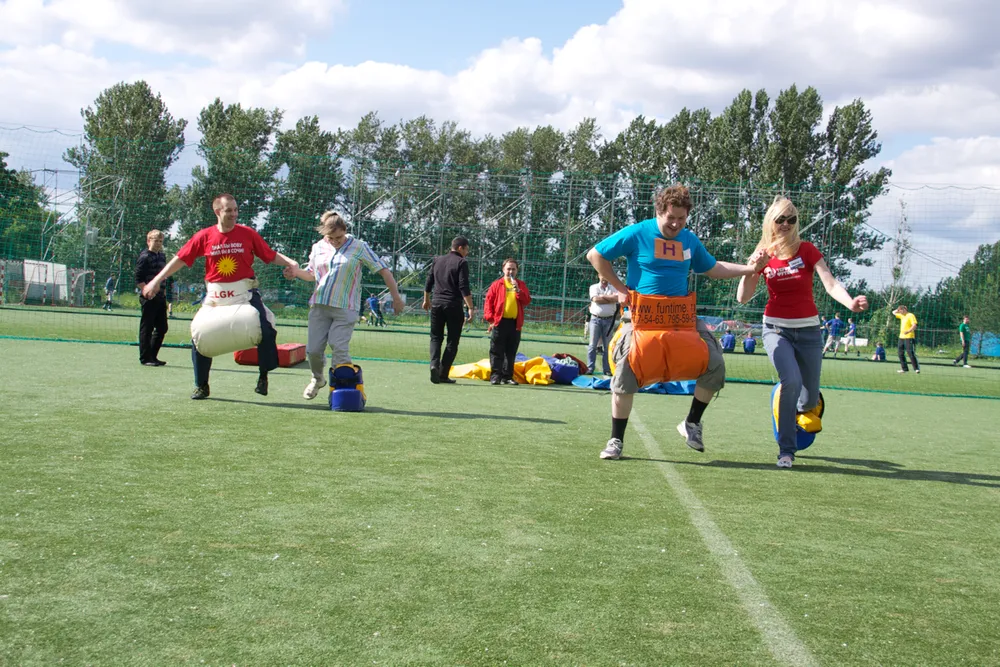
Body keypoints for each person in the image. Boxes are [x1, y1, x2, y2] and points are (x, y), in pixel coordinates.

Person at [587, 184, 770, 460]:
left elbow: (713, 268)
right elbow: (595, 255)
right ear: (659, 212)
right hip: (642, 317)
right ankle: (616, 440)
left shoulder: (689, 240)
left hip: (681, 319)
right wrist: (621, 288)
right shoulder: (638, 232)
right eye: (670, 218)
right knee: (625, 369)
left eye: (681, 219)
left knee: (715, 363)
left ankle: (692, 423)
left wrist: (750, 268)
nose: (675, 224)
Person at [737, 196, 869, 468]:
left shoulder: (807, 250)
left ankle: (787, 400)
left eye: (791, 219)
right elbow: (743, 297)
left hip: (809, 332)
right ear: (771, 222)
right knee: (791, 381)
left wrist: (851, 303)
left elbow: (831, 284)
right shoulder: (763, 253)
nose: (786, 224)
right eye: (780, 219)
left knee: (808, 401)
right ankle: (786, 450)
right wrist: (753, 269)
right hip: (776, 329)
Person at [141, 193, 300, 399]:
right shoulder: (204, 236)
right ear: (217, 211)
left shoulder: (248, 233)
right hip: (215, 298)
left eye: (236, 210)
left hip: (245, 294)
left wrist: (291, 263)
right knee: (199, 336)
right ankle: (201, 385)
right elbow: (180, 259)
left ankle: (263, 376)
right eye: (229, 210)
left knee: (266, 328)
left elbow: (269, 254)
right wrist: (155, 281)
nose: (234, 214)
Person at [284, 211, 404, 400]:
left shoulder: (359, 247)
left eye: (338, 237)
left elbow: (384, 271)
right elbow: (311, 274)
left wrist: (396, 298)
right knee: (313, 350)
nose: (335, 241)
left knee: (338, 346)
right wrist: (295, 273)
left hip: (345, 308)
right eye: (330, 238)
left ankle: (343, 390)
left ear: (345, 231)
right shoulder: (318, 247)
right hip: (319, 306)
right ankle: (317, 379)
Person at [423, 236, 474, 384]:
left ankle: (434, 365)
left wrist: (426, 300)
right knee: (452, 340)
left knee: (435, 337)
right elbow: (463, 286)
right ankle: (443, 374)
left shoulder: (437, 260)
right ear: (460, 248)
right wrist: (470, 307)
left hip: (436, 304)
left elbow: (429, 281)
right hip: (453, 305)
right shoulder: (462, 262)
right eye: (466, 250)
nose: (467, 253)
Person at [483, 258, 531, 385]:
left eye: (513, 269)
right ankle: (495, 376)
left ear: (517, 271)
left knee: (511, 351)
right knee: (496, 350)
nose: (511, 271)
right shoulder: (496, 285)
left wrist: (518, 291)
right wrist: (491, 319)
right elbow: (488, 302)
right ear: (503, 269)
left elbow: (527, 300)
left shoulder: (520, 285)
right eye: (508, 269)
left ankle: (507, 376)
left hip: (515, 323)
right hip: (499, 322)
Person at [134, 229, 169, 367]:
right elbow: (138, 277)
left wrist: (163, 292)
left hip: (160, 297)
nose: (158, 243)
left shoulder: (162, 256)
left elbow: (163, 276)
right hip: (149, 297)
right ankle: (145, 358)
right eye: (156, 241)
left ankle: (153, 356)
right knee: (147, 328)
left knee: (162, 327)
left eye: (160, 241)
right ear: (148, 241)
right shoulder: (144, 257)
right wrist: (146, 290)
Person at [587, 277, 619, 375]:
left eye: (606, 275)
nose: (605, 277)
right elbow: (596, 299)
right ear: (599, 275)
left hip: (609, 320)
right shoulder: (593, 287)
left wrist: (603, 296)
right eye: (602, 275)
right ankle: (590, 368)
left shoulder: (614, 288)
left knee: (608, 346)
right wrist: (610, 298)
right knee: (592, 345)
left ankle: (607, 369)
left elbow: (617, 299)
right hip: (595, 320)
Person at [893, 305, 920, 374]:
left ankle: (916, 368)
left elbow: (914, 325)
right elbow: (893, 312)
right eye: (899, 311)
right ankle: (904, 369)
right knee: (900, 353)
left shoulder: (910, 315)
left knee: (910, 353)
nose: (899, 312)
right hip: (901, 337)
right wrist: (898, 309)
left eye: (901, 311)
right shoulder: (901, 315)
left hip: (909, 337)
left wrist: (908, 331)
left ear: (904, 310)